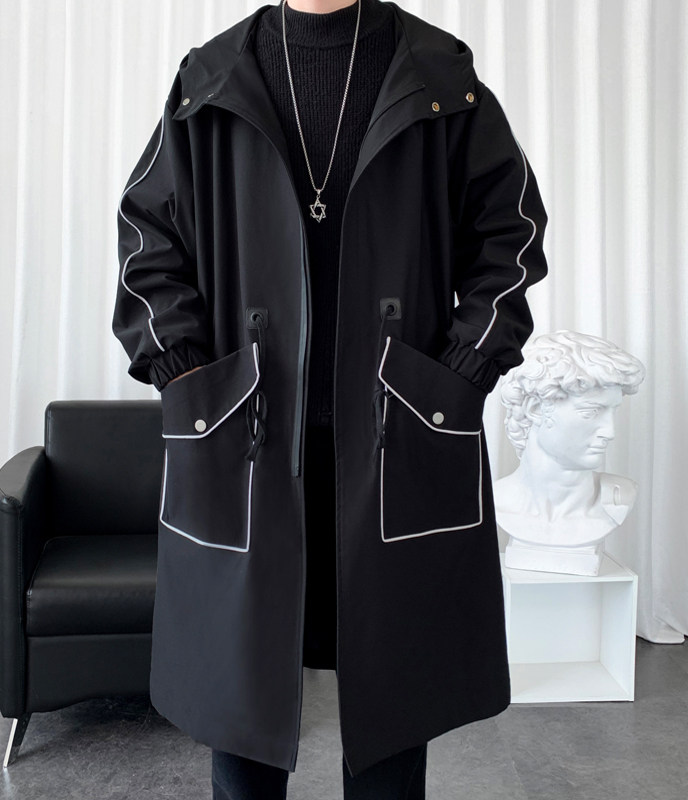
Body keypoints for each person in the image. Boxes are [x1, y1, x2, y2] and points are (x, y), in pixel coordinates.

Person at [112, 0, 549, 797]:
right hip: (247, 436)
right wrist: (185, 371)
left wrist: (459, 373)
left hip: (394, 436)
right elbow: (147, 239)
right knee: (239, 708)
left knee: (393, 716)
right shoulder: (211, 78)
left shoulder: (438, 73)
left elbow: (511, 235)